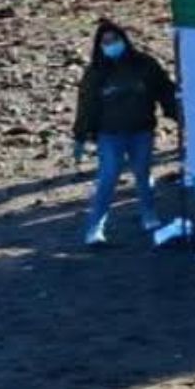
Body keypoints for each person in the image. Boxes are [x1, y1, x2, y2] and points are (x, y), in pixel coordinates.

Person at [72, 19, 179, 246]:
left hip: (141, 130)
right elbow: (87, 105)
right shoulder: (96, 72)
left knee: (143, 174)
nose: (111, 45)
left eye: (115, 40)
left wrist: (178, 115)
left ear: (124, 40)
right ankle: (95, 228)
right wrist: (81, 135)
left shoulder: (144, 65)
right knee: (108, 178)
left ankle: (149, 215)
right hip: (110, 134)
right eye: (106, 42)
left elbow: (165, 91)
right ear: (99, 45)